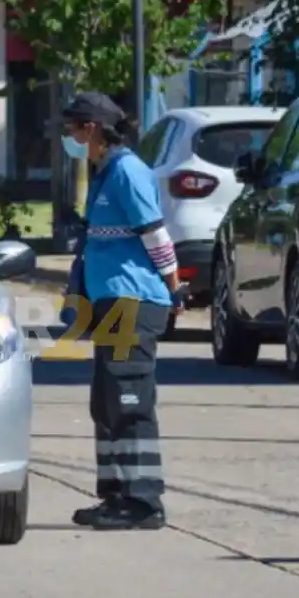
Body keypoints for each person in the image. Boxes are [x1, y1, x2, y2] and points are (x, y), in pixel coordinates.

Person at [60, 91, 186, 531]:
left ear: (92, 128)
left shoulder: (127, 171)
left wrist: (173, 287)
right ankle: (115, 495)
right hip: (113, 301)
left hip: (133, 300)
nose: (70, 137)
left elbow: (154, 234)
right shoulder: (106, 171)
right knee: (108, 401)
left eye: (72, 128)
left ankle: (142, 501)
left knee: (129, 399)